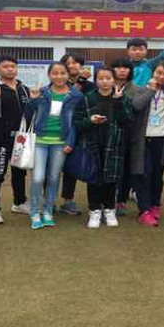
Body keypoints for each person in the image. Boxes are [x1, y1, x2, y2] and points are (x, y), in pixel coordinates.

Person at [25, 62, 83, 229]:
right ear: (49, 75)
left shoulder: (76, 96)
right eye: (55, 73)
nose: (59, 77)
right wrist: (33, 99)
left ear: (68, 75)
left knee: (53, 178)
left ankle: (48, 211)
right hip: (40, 141)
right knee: (38, 178)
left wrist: (70, 141)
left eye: (62, 73)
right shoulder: (42, 92)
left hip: (60, 142)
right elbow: (28, 114)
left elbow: (76, 122)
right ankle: (35, 212)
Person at [74, 66, 133, 229]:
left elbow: (127, 120)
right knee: (93, 179)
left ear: (114, 80)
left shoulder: (122, 97)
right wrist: (90, 120)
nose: (105, 81)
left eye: (108, 78)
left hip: (113, 145)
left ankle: (109, 209)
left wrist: (119, 101)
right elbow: (77, 123)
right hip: (92, 144)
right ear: (95, 80)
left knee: (111, 180)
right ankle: (94, 210)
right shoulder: (87, 98)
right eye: (101, 78)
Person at [0, 55, 31, 225]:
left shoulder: (23, 88)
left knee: (19, 172)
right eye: (5, 66)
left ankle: (19, 203)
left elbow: (30, 112)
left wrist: (35, 99)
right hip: (2, 138)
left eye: (13, 66)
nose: (10, 69)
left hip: (21, 139)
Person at [131, 61, 164, 227]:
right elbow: (137, 105)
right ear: (152, 73)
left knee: (157, 176)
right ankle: (144, 210)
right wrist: (150, 90)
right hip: (144, 139)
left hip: (162, 139)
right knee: (143, 174)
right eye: (158, 73)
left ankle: (155, 205)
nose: (161, 77)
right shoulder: (141, 89)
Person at [58, 52, 96, 216]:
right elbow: (69, 100)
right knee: (67, 166)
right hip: (65, 129)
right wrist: (80, 80)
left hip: (86, 127)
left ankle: (96, 203)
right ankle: (67, 201)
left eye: (75, 62)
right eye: (68, 63)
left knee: (90, 163)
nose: (71, 65)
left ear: (81, 65)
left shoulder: (91, 85)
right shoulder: (59, 84)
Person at [110, 57, 138, 216]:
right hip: (108, 133)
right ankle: (106, 199)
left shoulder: (136, 89)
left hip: (128, 134)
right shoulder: (106, 85)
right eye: (118, 67)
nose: (122, 70)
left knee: (126, 169)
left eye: (126, 67)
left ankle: (121, 200)